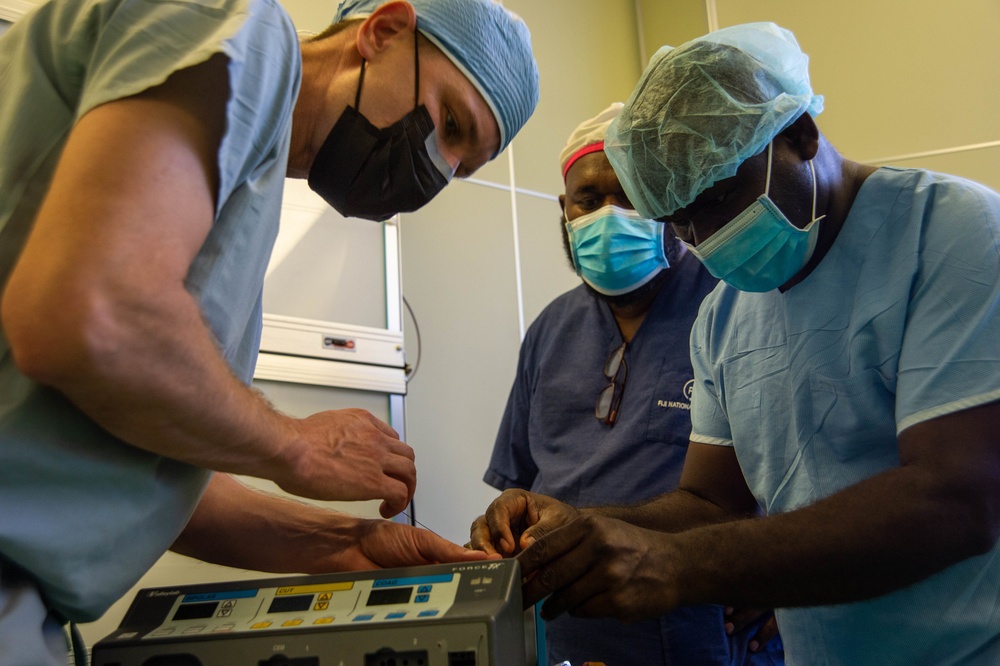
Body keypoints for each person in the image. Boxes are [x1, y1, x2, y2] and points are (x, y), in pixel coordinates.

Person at [0, 0, 538, 663]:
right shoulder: (240, 28)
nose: (440, 169)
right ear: (384, 31)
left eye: (463, 168)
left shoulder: (242, 193)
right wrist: (295, 446)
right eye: (451, 123)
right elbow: (88, 316)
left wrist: (349, 545)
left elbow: (130, 470)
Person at [470, 22, 1000, 665]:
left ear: (800, 135)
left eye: (718, 198)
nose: (704, 238)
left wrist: (678, 564)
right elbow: (709, 502)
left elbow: (958, 497)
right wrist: (585, 531)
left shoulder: (954, 235)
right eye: (678, 219)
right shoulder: (726, 311)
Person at [484, 103, 783, 665]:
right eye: (589, 201)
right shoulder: (550, 329)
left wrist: (785, 572)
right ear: (564, 212)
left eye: (631, 198)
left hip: (704, 625)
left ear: (670, 204)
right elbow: (521, 480)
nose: (609, 217)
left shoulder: (736, 306)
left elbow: (804, 470)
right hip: (567, 629)